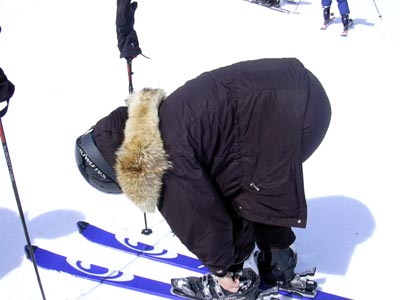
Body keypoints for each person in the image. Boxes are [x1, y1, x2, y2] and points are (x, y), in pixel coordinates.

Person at [75, 58, 331, 299]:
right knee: (248, 177)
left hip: (297, 115)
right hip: (297, 89)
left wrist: (222, 268)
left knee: (237, 192)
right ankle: (277, 262)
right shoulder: (161, 119)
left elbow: (201, 219)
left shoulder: (163, 156)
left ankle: (236, 284)